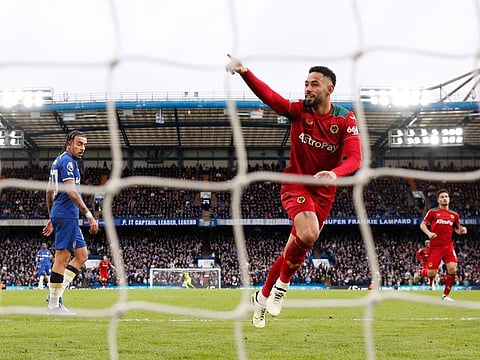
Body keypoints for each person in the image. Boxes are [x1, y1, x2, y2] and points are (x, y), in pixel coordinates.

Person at [227, 54, 362, 328]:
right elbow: (272, 98)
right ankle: (281, 289)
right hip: (296, 183)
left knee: (296, 246)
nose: (308, 89)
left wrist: (334, 173)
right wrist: (245, 72)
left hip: (324, 191)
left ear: (329, 89)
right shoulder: (299, 111)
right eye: (306, 84)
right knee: (309, 234)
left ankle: (261, 298)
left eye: (314, 84)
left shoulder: (345, 120)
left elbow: (355, 159)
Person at [42, 129, 99, 314]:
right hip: (67, 213)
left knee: (82, 255)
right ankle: (53, 305)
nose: (82, 148)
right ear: (69, 144)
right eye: (79, 144)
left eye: (84, 145)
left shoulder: (58, 160)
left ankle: (55, 295)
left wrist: (51, 217)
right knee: (62, 258)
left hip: (63, 213)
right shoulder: (68, 162)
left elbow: (49, 191)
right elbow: (72, 192)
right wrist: (89, 214)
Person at [420, 189, 467, 301]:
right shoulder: (433, 212)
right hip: (435, 247)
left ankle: (445, 295)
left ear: (449, 199)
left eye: (446, 196)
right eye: (442, 197)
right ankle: (420, 272)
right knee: (431, 274)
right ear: (438, 200)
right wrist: (429, 233)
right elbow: (422, 224)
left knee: (453, 269)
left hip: (448, 247)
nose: (444, 198)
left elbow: (457, 229)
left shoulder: (454, 215)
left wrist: (462, 230)